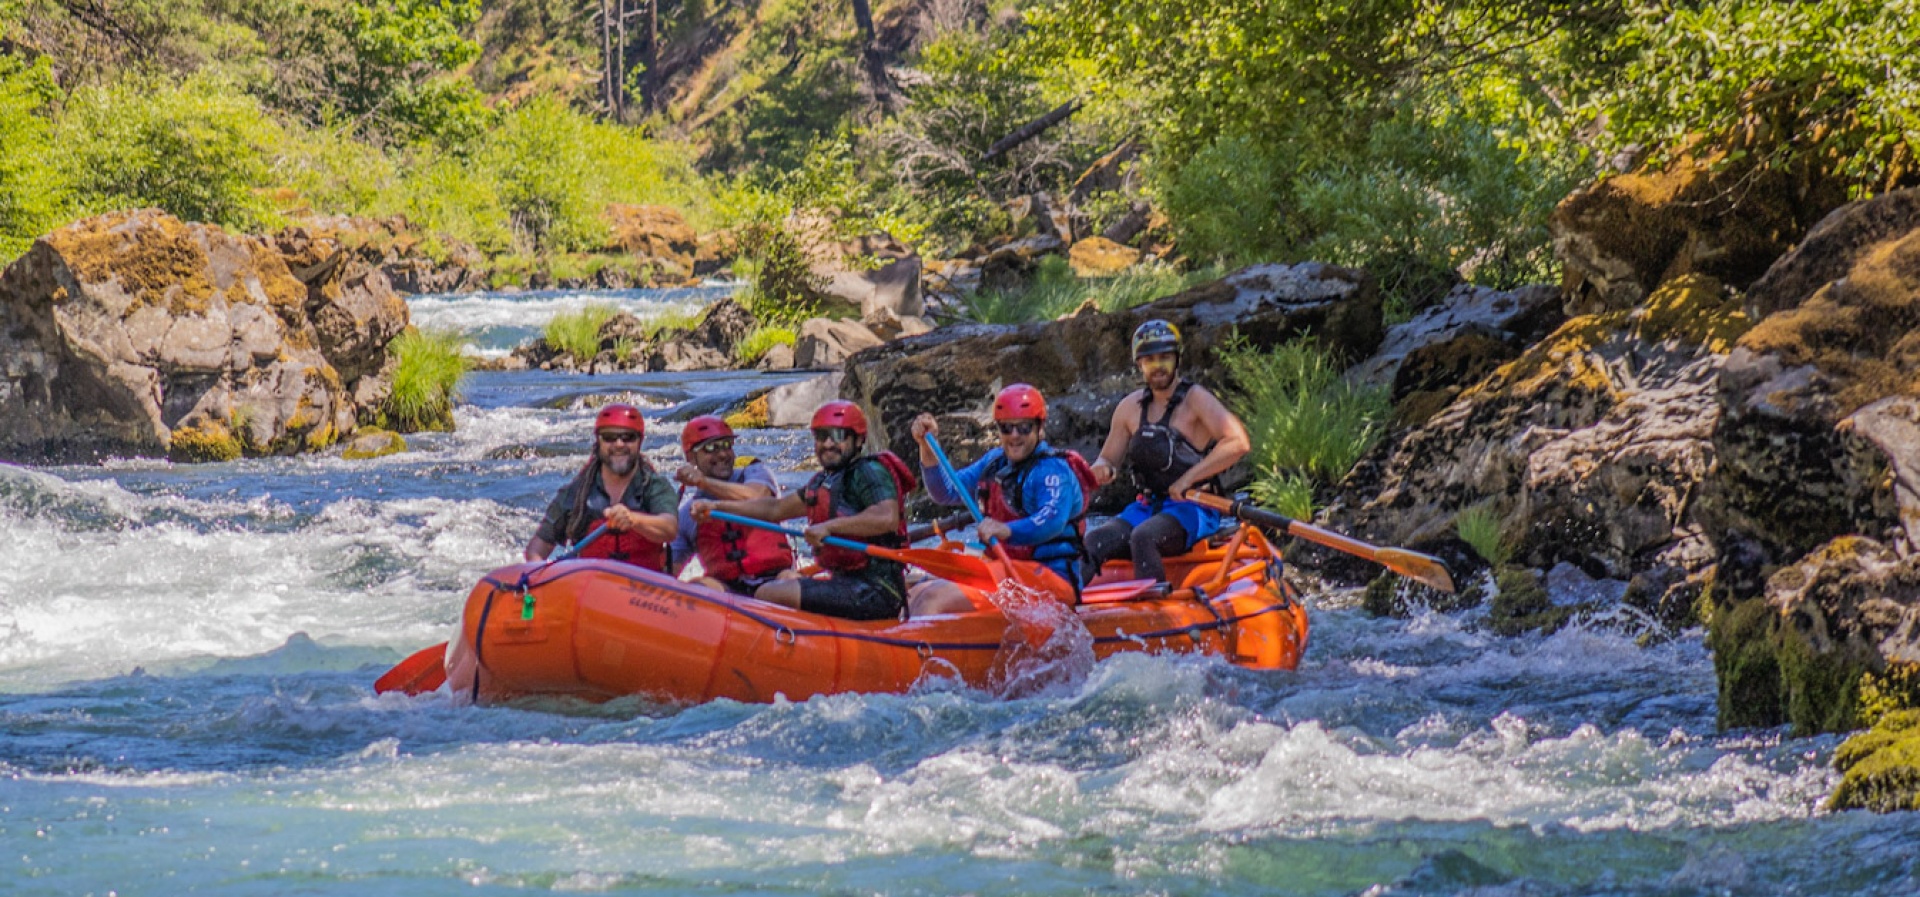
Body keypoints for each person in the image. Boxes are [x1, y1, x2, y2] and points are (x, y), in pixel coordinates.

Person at [694, 400, 917, 620]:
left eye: (838, 436)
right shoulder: (822, 481)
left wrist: (829, 527)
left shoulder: (869, 471)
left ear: (858, 440)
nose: (828, 444)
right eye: (821, 436)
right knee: (776, 589)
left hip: (876, 589)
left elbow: (886, 517)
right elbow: (775, 509)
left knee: (768, 592)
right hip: (845, 581)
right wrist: (716, 507)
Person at [1083, 319, 1251, 583]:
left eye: (1165, 359)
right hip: (1147, 507)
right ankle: (1065, 612)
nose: (1158, 367)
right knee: (1094, 541)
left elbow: (1238, 442)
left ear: (1177, 360)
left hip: (1193, 509)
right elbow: (1108, 457)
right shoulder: (1130, 407)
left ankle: (1154, 611)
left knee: (1143, 537)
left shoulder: (1196, 400)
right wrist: (1101, 469)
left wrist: (1188, 479)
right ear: (1140, 365)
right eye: (1150, 361)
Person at [910, 383, 1095, 591]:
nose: (1014, 435)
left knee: (934, 597)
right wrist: (926, 447)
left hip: (1051, 577)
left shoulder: (1053, 470)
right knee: (920, 589)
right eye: (1006, 427)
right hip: (1006, 570)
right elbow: (945, 491)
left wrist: (1006, 530)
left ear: (1040, 428)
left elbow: (1052, 520)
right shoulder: (994, 462)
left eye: (1024, 427)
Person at [526, 403, 679, 569]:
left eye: (628, 437)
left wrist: (634, 520)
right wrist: (540, 574)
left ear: (639, 441)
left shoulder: (654, 486)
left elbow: (669, 528)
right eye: (609, 437)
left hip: (646, 587)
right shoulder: (576, 493)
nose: (619, 444)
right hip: (590, 587)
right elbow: (537, 549)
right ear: (598, 441)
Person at [668, 415, 795, 594]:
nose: (722, 454)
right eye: (710, 448)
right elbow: (668, 572)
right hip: (729, 592)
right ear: (691, 457)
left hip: (775, 578)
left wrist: (704, 482)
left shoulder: (756, 473)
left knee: (789, 580)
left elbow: (755, 498)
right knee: (698, 587)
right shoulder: (686, 514)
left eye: (726, 445)